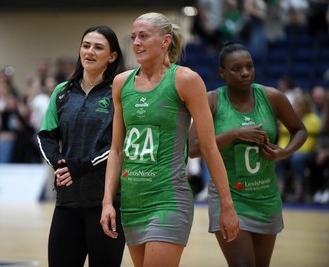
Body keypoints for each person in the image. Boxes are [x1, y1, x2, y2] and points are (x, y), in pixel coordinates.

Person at [100, 12, 239, 267]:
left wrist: (226, 205)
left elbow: (209, 147)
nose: (136, 43)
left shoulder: (185, 79)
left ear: (165, 41)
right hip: (132, 202)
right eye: (133, 37)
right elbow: (117, 150)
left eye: (143, 36)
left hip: (168, 199)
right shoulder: (121, 83)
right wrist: (108, 201)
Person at [189, 42, 307, 267]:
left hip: (266, 196)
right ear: (222, 72)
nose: (245, 72)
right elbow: (193, 148)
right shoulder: (212, 100)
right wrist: (234, 134)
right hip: (229, 198)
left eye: (249, 66)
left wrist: (285, 152)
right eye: (236, 68)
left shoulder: (272, 97)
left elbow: (299, 130)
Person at [37, 25, 126, 267]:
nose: (90, 51)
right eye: (86, 46)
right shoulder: (62, 92)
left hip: (106, 203)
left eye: (98, 47)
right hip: (67, 203)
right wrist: (60, 163)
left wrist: (81, 166)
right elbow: (45, 135)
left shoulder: (118, 94)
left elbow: (120, 145)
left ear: (112, 56)